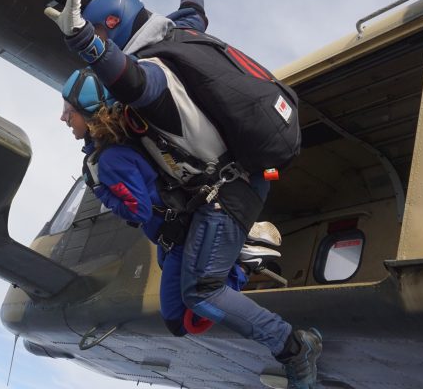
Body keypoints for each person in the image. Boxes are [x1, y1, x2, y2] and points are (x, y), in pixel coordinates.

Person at [46, 0, 322, 388]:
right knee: (183, 315)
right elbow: (193, 10)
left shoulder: (156, 76)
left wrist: (83, 42)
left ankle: (293, 347)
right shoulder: (181, 36)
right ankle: (240, 252)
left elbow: (132, 80)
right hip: (239, 181)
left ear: (112, 30)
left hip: (227, 194)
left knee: (202, 291)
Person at [60, 67, 281, 337]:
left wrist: (101, 190)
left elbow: (138, 211)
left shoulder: (108, 159)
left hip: (178, 238)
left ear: (88, 112)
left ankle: (245, 262)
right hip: (173, 236)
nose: (64, 117)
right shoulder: (118, 148)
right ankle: (239, 255)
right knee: (184, 315)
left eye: (69, 110)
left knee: (182, 320)